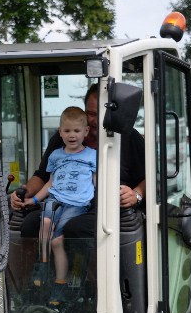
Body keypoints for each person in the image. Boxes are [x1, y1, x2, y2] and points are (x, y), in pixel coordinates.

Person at [10, 83, 145, 239]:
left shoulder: (129, 138)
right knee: (30, 225)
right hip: (61, 200)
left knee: (75, 228)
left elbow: (150, 179)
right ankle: (41, 263)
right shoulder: (63, 139)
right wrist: (25, 192)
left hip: (106, 209)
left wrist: (136, 194)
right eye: (90, 114)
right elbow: (43, 176)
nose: (95, 120)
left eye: (101, 113)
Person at [30, 107, 97, 304]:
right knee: (45, 221)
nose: (72, 135)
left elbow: (96, 181)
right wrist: (33, 200)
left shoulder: (92, 155)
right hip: (56, 198)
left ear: (85, 132)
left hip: (77, 203)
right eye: (67, 131)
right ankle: (42, 266)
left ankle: (60, 282)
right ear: (60, 132)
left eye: (77, 131)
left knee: (57, 241)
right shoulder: (55, 156)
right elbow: (50, 183)